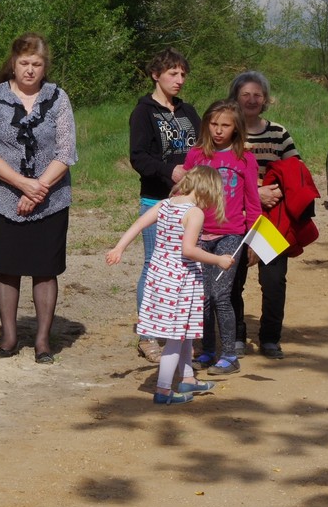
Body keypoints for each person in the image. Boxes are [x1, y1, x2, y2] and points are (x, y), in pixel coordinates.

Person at [0, 33, 78, 364]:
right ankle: (8, 336)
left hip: (51, 199)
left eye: (36, 64)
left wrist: (39, 189)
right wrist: (23, 184)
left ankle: (43, 341)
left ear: (44, 66)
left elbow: (66, 151)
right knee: (7, 268)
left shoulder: (59, 98)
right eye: (24, 63)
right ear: (13, 63)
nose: (30, 70)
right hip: (4, 197)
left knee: (44, 269)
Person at [106, 166, 235, 405]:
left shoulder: (166, 203)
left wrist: (119, 247)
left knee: (184, 333)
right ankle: (163, 390)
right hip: (180, 280)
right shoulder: (194, 213)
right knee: (176, 337)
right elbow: (189, 250)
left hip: (160, 276)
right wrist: (219, 260)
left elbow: (139, 224)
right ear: (208, 190)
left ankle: (188, 378)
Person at [129, 48, 200, 363]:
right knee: (154, 266)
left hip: (193, 203)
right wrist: (169, 171)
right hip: (157, 200)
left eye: (183, 74)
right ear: (156, 75)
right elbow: (139, 156)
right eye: (173, 73)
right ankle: (147, 336)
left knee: (188, 265)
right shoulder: (143, 112)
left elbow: (202, 149)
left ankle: (181, 333)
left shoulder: (189, 111)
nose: (179, 80)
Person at [183, 99, 260, 376]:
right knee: (201, 296)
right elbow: (184, 196)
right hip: (200, 236)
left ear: (236, 128)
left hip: (232, 236)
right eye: (213, 124)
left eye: (225, 125)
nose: (218, 130)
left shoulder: (245, 159)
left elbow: (253, 203)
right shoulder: (195, 156)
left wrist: (252, 242)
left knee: (220, 295)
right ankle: (207, 350)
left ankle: (229, 355)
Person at [229, 71, 300, 359]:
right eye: (245, 94)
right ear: (235, 97)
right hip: (233, 217)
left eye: (257, 94)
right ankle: (235, 336)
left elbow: (296, 174)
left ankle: (270, 337)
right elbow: (216, 175)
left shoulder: (278, 133)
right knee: (233, 280)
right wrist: (255, 191)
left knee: (273, 281)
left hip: (270, 221)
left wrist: (276, 193)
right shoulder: (225, 131)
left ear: (265, 99)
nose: (252, 99)